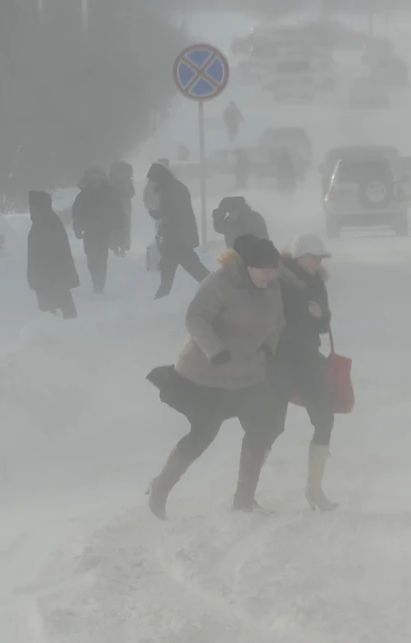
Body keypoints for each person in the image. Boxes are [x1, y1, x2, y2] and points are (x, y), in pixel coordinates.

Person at [146, 234, 286, 519]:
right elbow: (195, 317)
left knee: (263, 427)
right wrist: (215, 350)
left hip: (245, 374)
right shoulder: (222, 282)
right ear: (248, 266)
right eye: (263, 268)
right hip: (203, 375)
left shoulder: (273, 289)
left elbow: (277, 322)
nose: (268, 274)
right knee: (204, 431)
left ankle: (244, 498)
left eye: (273, 269)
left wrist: (268, 350)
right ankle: (160, 488)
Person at [271, 233, 338, 511]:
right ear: (299, 256)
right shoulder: (279, 281)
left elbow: (324, 324)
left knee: (324, 417)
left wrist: (319, 315)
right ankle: (245, 493)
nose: (317, 262)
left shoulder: (318, 283)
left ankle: (314, 489)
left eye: (320, 257)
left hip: (307, 359)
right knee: (269, 425)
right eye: (313, 257)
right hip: (278, 360)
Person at [144, 162, 211, 299]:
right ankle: (219, 291)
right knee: (194, 273)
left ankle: (221, 293)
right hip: (178, 239)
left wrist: (157, 214)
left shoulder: (172, 190)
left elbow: (172, 213)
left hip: (178, 240)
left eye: (154, 180)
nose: (153, 183)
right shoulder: (174, 187)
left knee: (197, 273)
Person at [26, 190, 79, 319]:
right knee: (53, 305)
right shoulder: (44, 220)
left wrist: (40, 274)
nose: (31, 209)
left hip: (51, 274)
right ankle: (61, 330)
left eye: (33, 206)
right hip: (46, 275)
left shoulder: (47, 222)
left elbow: (54, 251)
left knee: (56, 305)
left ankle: (70, 331)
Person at [71, 167, 124, 294]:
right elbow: (76, 213)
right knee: (92, 258)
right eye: (92, 179)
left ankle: (99, 283)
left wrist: (118, 228)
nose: (95, 182)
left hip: (105, 231)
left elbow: (118, 211)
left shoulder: (109, 193)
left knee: (101, 258)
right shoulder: (83, 195)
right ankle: (97, 280)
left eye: (97, 179)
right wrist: (77, 228)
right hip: (90, 231)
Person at [108, 161, 135, 257]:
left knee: (115, 227)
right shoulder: (127, 180)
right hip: (123, 207)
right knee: (123, 227)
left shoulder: (111, 180)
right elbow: (132, 193)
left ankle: (117, 247)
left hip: (115, 207)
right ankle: (121, 247)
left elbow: (131, 192)